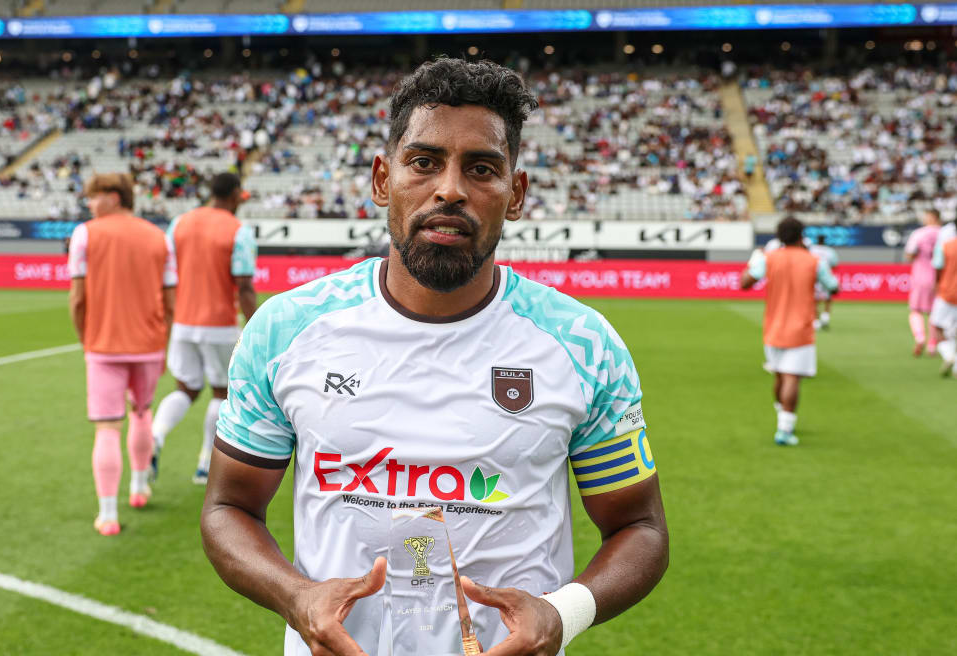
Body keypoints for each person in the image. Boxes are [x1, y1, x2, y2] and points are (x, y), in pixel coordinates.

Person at [201, 58, 668, 656]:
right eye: (424, 163)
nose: (450, 188)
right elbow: (228, 505)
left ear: (516, 193)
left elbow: (640, 526)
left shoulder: (582, 343)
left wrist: (561, 613)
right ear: (381, 180)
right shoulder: (286, 330)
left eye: (482, 168)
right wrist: (296, 597)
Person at [68, 172, 177, 536]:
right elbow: (171, 300)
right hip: (148, 344)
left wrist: (86, 336)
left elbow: (78, 297)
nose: (89, 204)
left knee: (108, 428)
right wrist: (165, 341)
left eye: (93, 196)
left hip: (103, 345)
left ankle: (108, 514)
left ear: (114, 196)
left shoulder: (86, 234)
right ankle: (139, 487)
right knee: (142, 413)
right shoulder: (159, 238)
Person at [149, 172, 257, 485]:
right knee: (222, 391)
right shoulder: (239, 231)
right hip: (220, 323)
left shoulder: (179, 223)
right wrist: (257, 326)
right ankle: (204, 465)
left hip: (183, 322)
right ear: (235, 195)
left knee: (185, 388)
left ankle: (155, 438)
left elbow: (166, 273)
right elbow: (245, 285)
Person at [741, 216, 838, 446]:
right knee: (792, 377)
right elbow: (834, 287)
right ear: (801, 236)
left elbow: (745, 282)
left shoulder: (769, 258)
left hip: (773, 327)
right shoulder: (814, 261)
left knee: (779, 374)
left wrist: (754, 260)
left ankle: (781, 414)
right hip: (801, 328)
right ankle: (785, 428)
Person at [905, 210, 942, 356]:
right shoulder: (946, 234)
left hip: (921, 276)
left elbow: (910, 253)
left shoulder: (919, 233)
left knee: (916, 310)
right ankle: (932, 345)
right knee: (935, 313)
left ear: (932, 217)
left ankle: (920, 337)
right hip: (940, 278)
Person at [931, 224, 957, 376]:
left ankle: (949, 355)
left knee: (937, 327)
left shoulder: (946, 246)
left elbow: (937, 267)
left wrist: (936, 285)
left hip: (947, 293)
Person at [808, 235, 839, 330]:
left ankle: (816, 322)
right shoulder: (830, 251)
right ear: (825, 241)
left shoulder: (811, 249)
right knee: (828, 299)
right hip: (825, 277)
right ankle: (825, 318)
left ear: (817, 240)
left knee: (814, 300)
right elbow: (834, 264)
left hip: (813, 277)